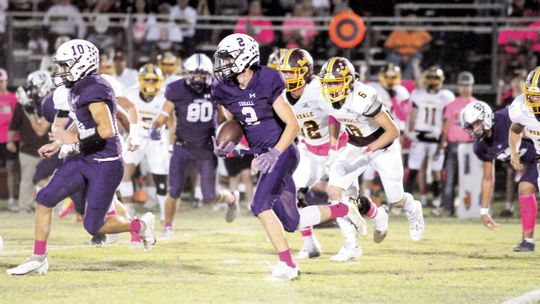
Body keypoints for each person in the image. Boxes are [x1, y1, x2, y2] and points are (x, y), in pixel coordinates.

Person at [212, 34, 367, 281]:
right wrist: (227, 145)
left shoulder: (267, 78)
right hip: (264, 154)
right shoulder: (224, 87)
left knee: (259, 205)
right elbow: (234, 123)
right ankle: (343, 209)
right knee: (292, 221)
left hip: (283, 152)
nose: (223, 63)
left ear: (245, 58)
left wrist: (274, 152)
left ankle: (287, 265)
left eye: (228, 57)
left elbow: (292, 125)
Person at [7, 39, 155, 276]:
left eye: (65, 65)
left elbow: (106, 130)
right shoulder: (77, 87)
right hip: (85, 157)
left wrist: (71, 141)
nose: (61, 71)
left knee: (94, 226)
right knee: (45, 198)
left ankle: (138, 224)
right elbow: (81, 121)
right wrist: (58, 142)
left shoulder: (95, 88)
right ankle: (38, 258)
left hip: (105, 164)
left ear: (81, 64)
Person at [318, 56, 425, 244]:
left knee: (396, 200)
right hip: (356, 144)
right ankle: (354, 236)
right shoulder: (326, 97)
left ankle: (413, 208)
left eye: (336, 83)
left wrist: (369, 150)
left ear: (350, 81)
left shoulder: (362, 96)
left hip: (383, 146)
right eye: (328, 84)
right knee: (334, 188)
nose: (331, 88)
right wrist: (333, 147)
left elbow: (393, 131)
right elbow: (334, 117)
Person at [276, 48, 355, 261]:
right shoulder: (282, 93)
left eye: (291, 72)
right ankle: (310, 244)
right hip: (308, 148)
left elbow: (336, 115)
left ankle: (352, 243)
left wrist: (332, 146)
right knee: (292, 193)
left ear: (305, 72)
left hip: (336, 147)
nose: (287, 77)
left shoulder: (319, 88)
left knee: (339, 195)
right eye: (285, 72)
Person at [152, 53, 240, 239]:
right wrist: (156, 126)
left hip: (206, 147)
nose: (199, 79)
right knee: (173, 190)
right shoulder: (176, 89)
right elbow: (164, 112)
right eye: (196, 75)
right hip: (182, 145)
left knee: (210, 196)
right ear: (187, 74)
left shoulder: (217, 88)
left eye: (203, 75)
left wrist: (230, 139)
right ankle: (168, 226)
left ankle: (231, 198)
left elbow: (226, 118)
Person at [461, 101, 537, 252]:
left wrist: (515, 153)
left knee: (525, 186)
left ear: (486, 117)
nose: (474, 130)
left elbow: (535, 132)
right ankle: (527, 241)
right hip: (533, 161)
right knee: (525, 187)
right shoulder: (481, 146)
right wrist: (484, 210)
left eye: (476, 123)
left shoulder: (506, 119)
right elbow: (488, 177)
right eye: (471, 127)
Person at [118, 64, 169, 220]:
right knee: (124, 173)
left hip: (157, 140)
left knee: (161, 178)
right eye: (147, 80)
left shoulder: (165, 95)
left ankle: (164, 214)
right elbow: (119, 114)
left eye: (154, 80)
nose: (151, 84)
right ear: (140, 80)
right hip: (136, 136)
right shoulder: (131, 93)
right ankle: (128, 211)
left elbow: (172, 121)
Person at [405, 66, 455, 214]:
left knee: (436, 171)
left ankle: (436, 203)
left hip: (436, 137)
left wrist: (444, 139)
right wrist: (410, 131)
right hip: (420, 135)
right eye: (430, 78)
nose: (433, 81)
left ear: (441, 80)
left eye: (436, 78)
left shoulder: (446, 96)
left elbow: (447, 119)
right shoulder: (418, 94)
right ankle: (407, 202)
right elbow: (412, 114)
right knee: (413, 169)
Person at [9, 71, 52, 214]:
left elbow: (41, 130)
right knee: (27, 180)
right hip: (28, 148)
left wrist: (30, 110)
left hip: (48, 149)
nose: (31, 90)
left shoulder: (50, 103)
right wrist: (10, 140)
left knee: (48, 181)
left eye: (34, 86)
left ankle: (47, 207)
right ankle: (25, 207)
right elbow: (14, 124)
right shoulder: (23, 103)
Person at [508, 66, 540, 252]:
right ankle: (527, 240)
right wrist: (514, 152)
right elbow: (515, 129)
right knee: (525, 187)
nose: (533, 100)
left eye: (538, 95)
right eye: (532, 95)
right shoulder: (522, 107)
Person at [439, 71, 477, 216]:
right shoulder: (452, 105)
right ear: (458, 87)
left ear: (472, 86)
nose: (465, 88)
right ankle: (448, 209)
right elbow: (446, 125)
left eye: (467, 85)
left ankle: (468, 209)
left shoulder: (476, 104)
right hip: (454, 146)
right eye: (462, 85)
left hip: (470, 146)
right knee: (449, 180)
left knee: (468, 179)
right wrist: (443, 143)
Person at [0, 68, 19, 211]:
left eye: (1, 81)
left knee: (11, 168)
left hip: (10, 139)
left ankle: (12, 198)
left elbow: (17, 120)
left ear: (6, 81)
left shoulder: (14, 98)